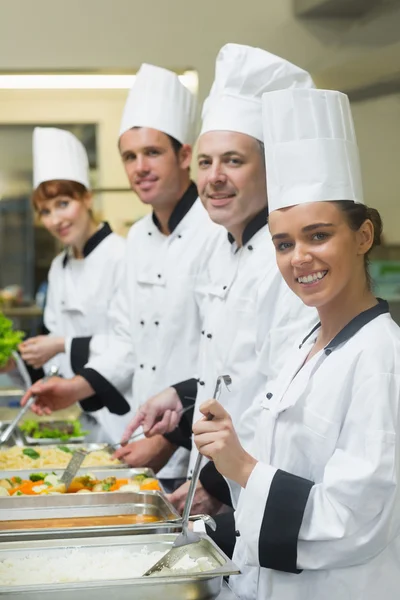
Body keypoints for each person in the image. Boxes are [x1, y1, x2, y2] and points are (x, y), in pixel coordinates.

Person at [191, 88, 400, 599]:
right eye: (284, 243)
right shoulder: (308, 342)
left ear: (364, 235)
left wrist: (239, 465)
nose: (298, 257)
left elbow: (354, 520)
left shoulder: (381, 358)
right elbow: (284, 467)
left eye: (319, 235)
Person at [122, 44, 318, 514]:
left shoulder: (286, 263)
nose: (214, 178)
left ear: (269, 169)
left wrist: (216, 478)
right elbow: (231, 372)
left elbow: (281, 398)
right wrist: (183, 396)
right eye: (206, 163)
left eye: (233, 161)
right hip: (216, 473)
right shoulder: (221, 250)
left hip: (258, 479)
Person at [21, 65, 220, 491]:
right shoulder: (140, 239)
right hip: (141, 432)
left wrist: (172, 434)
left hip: (203, 444)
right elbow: (125, 339)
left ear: (184, 156)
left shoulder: (216, 231)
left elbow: (224, 358)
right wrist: (74, 387)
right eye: (129, 156)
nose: (139, 167)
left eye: (152, 152)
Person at [19, 127, 128, 441]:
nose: (55, 219)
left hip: (126, 414)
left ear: (87, 197)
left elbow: (133, 343)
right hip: (84, 418)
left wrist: (61, 344)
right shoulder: (59, 267)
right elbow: (55, 353)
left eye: (63, 203)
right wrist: (22, 360)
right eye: (45, 211)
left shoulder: (121, 255)